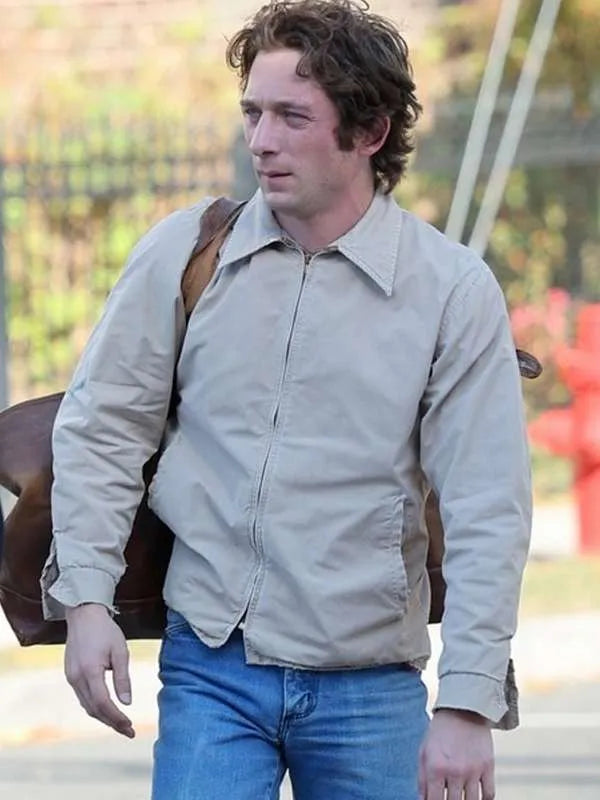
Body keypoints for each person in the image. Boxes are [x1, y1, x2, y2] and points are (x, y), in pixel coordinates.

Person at [41, 1, 532, 798]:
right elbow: (103, 430)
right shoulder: (187, 251)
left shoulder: (450, 292)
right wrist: (87, 601)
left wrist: (469, 702)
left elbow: (487, 506)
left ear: (369, 132)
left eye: (292, 116)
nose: (261, 140)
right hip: (211, 670)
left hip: (370, 687)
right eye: (253, 113)